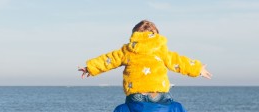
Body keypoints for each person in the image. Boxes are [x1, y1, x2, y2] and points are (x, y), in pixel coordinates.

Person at [79, 20, 211, 103]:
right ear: (156, 34)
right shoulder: (160, 49)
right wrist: (198, 69)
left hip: (136, 94)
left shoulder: (128, 50)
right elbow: (178, 62)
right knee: (168, 110)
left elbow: (109, 59)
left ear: (134, 34)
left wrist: (90, 68)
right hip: (158, 93)